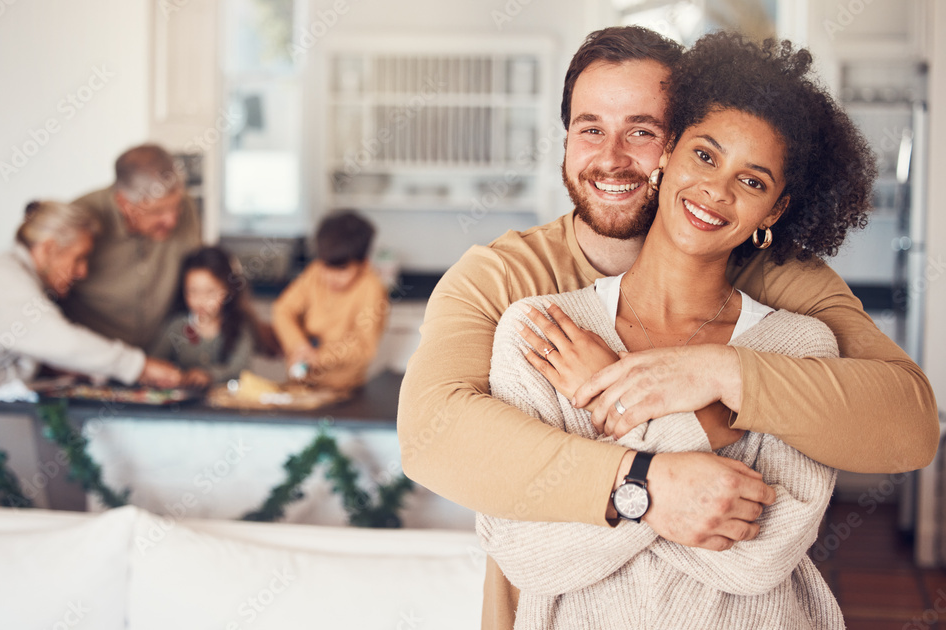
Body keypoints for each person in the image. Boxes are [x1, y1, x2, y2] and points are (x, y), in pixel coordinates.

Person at [396, 26, 939, 629]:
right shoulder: (512, 287)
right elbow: (433, 439)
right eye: (590, 128)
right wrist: (649, 481)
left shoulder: (783, 288)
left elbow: (906, 427)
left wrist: (707, 374)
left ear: (670, 141)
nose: (612, 156)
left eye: (642, 131)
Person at [479, 32, 862, 628]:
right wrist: (698, 447)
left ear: (776, 210)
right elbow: (528, 556)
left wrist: (614, 395)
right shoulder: (539, 333)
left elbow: (759, 561)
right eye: (705, 156)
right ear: (668, 154)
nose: (717, 189)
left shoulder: (800, 348)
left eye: (753, 181)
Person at [0, 201, 182, 407]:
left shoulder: (15, 279)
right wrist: (140, 366)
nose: (83, 271)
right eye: (79, 257)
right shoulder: (2, 280)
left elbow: (23, 367)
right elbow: (65, 343)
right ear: (48, 248)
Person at [61, 143, 202, 351]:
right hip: (95, 359)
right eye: (158, 211)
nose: (171, 220)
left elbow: (205, 272)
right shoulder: (81, 219)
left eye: (176, 206)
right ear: (124, 203)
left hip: (163, 356)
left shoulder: (185, 209)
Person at [271, 210, 388, 390]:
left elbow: (364, 345)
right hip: (301, 382)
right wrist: (299, 345)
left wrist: (320, 357)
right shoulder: (314, 273)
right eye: (326, 266)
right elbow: (283, 310)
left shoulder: (372, 289)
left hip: (344, 388)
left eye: (341, 270)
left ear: (363, 263)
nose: (330, 277)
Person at [151, 246, 255, 387]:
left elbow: (240, 370)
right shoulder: (177, 327)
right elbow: (154, 363)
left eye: (210, 292)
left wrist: (209, 375)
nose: (200, 301)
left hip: (224, 406)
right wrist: (173, 375)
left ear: (228, 290)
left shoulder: (239, 326)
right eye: (193, 291)